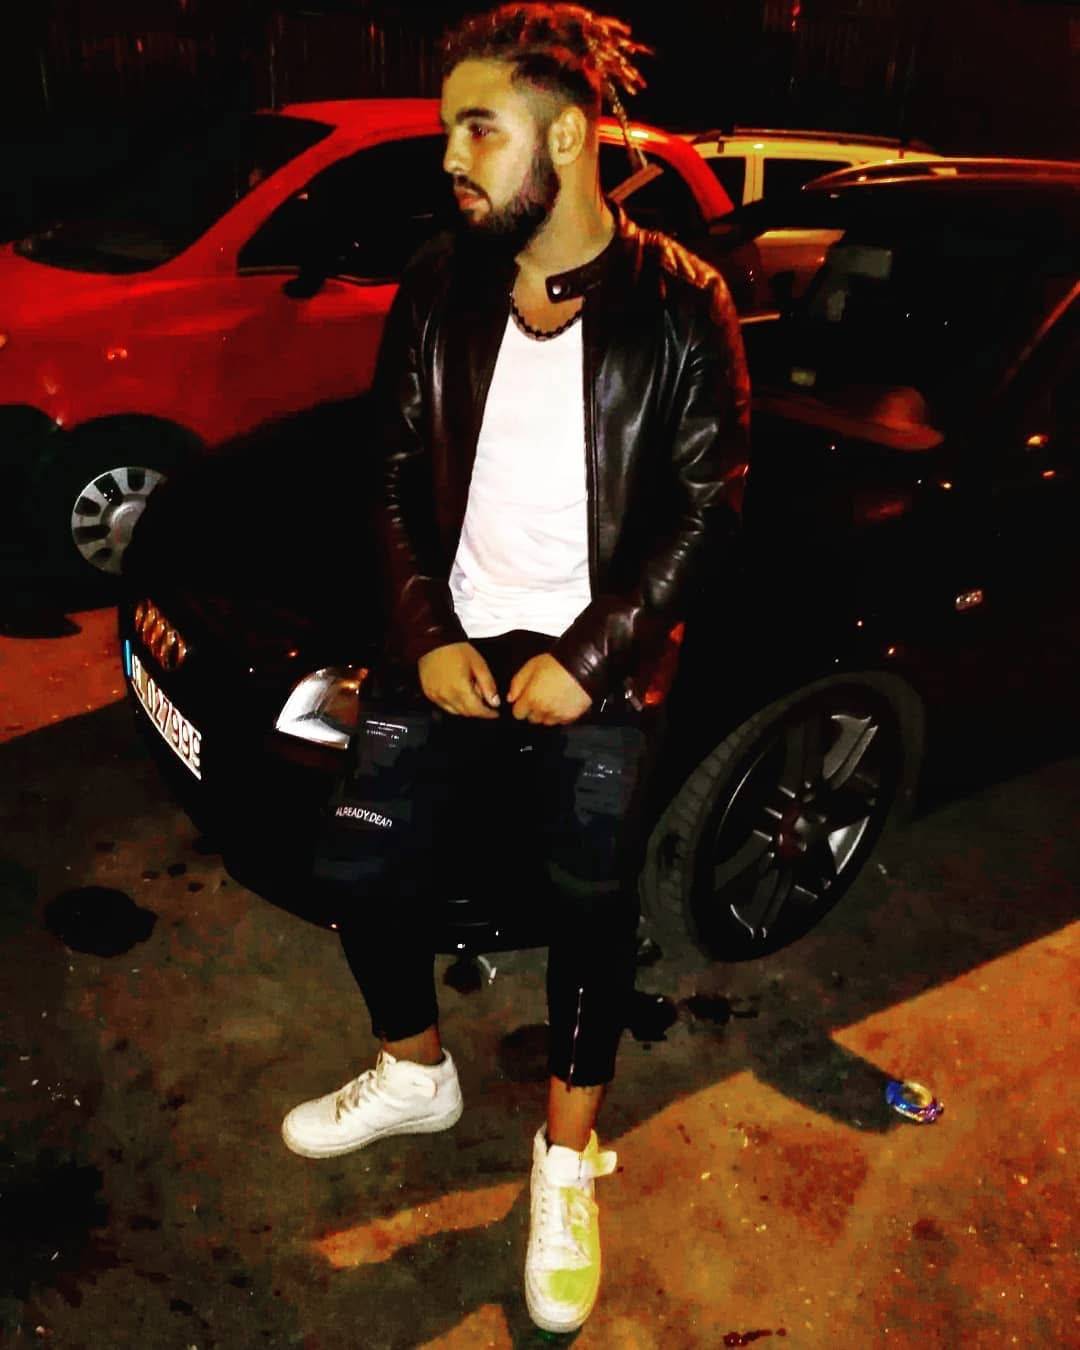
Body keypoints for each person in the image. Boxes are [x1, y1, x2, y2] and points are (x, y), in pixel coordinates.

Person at [282, 3, 749, 1333]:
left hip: (601, 661)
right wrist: (427, 630)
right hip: (450, 636)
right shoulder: (441, 282)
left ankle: (566, 1156)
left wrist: (592, 658)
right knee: (360, 866)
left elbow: (710, 506)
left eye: (477, 130)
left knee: (588, 906)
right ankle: (413, 1070)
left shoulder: (683, 302)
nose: (451, 156)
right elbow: (387, 472)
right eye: (451, 132)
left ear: (568, 135)